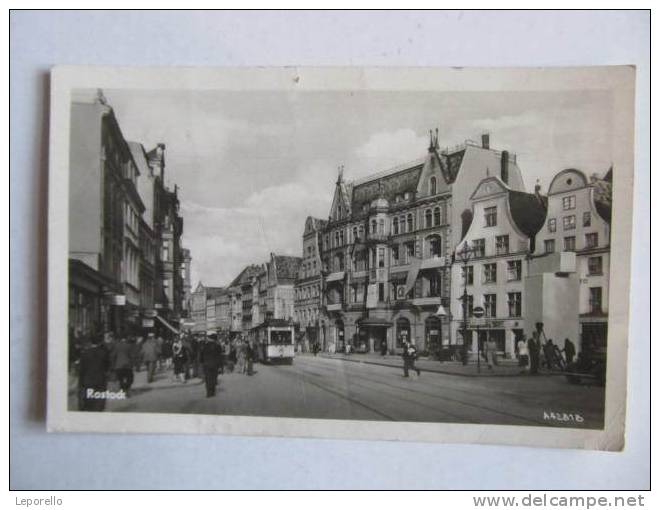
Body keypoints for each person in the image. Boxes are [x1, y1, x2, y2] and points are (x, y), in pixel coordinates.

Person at [78, 333, 111, 411]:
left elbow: (82, 370)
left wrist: (81, 382)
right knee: (99, 404)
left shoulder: (85, 353)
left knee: (89, 404)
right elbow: (107, 366)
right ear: (100, 341)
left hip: (88, 380)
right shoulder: (104, 353)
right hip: (100, 380)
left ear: (90, 341)